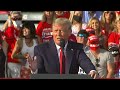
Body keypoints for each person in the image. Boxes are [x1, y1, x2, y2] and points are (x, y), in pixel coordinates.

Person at [30, 18, 98, 79]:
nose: (58, 34)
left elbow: (84, 61)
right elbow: (39, 72)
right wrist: (34, 70)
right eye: (56, 31)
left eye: (61, 31)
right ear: (52, 32)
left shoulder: (76, 48)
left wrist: (92, 70)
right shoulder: (41, 49)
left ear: (69, 32)